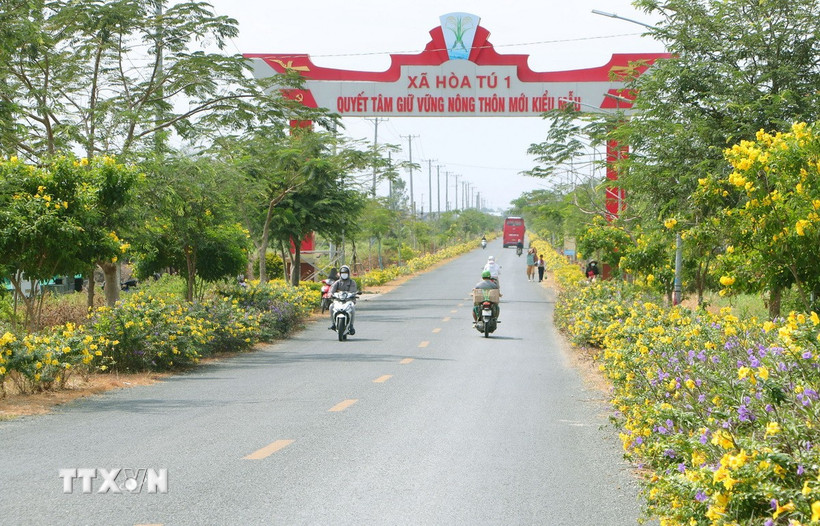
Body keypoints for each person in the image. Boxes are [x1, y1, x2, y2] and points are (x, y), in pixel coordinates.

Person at [328, 264, 358, 333]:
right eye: (342, 273)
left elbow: (353, 291)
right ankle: (333, 324)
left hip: (348, 301)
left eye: (346, 273)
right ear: (340, 274)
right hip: (338, 301)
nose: (344, 274)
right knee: (331, 306)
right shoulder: (337, 282)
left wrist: (352, 294)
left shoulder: (352, 282)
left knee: (352, 307)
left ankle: (351, 325)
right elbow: (331, 290)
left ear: (348, 273)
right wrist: (330, 294)